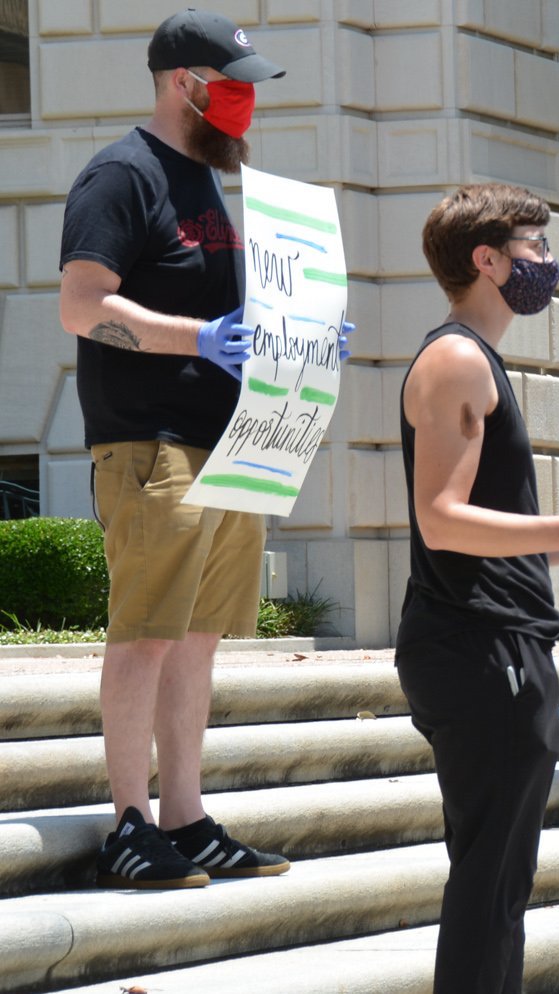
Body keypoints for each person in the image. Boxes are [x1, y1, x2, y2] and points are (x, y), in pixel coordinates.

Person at [58, 8, 297, 889]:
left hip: (227, 441)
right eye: (235, 86)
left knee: (197, 639)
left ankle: (185, 817)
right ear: (182, 84)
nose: (247, 103)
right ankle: (130, 820)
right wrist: (195, 340)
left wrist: (302, 334)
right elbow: (83, 307)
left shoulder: (209, 182)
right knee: (148, 635)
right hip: (148, 442)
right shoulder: (121, 175)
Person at [400, 182, 559, 993]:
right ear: (488, 259)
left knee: (500, 881)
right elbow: (441, 519)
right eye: (536, 247)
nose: (549, 264)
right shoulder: (457, 358)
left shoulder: (476, 355)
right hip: (476, 642)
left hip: (497, 639)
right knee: (490, 883)